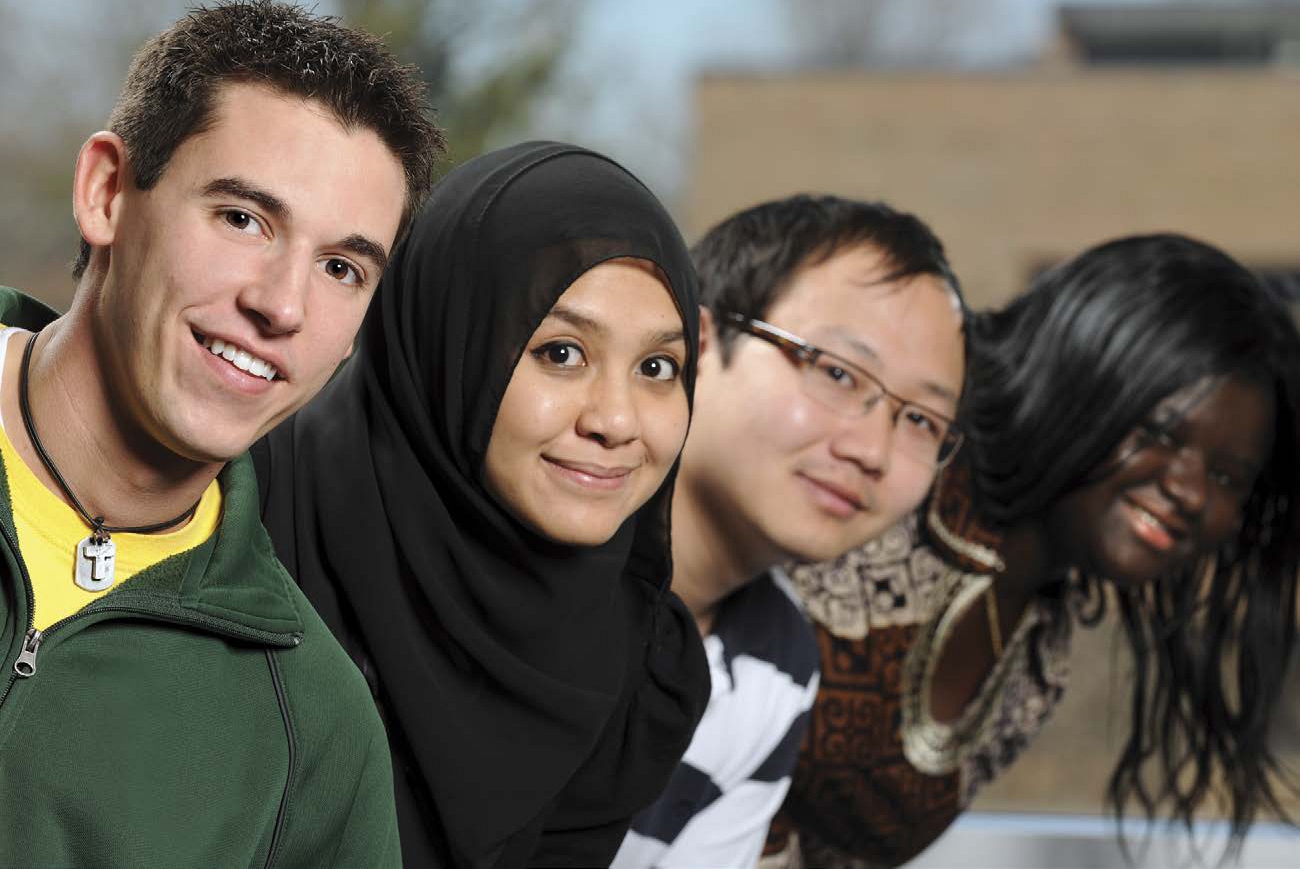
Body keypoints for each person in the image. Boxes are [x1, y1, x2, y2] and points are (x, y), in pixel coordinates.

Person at [0, 0, 441, 866]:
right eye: (244, 219)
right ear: (107, 193)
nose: (281, 304)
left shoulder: (314, 729)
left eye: (342, 268)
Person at [770, 233, 1300, 868]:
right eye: (1160, 432)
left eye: (1226, 478)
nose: (1189, 491)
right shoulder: (884, 478)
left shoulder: (1039, 662)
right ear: (1083, 384)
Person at [252, 141, 711, 868]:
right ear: (444, 341)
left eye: (658, 367)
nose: (617, 421)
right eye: (562, 352)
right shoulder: (236, 523)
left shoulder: (645, 666)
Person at [612, 194, 969, 868]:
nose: (874, 450)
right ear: (697, 342)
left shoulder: (778, 661)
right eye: (837, 372)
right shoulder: (534, 550)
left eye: (922, 421)